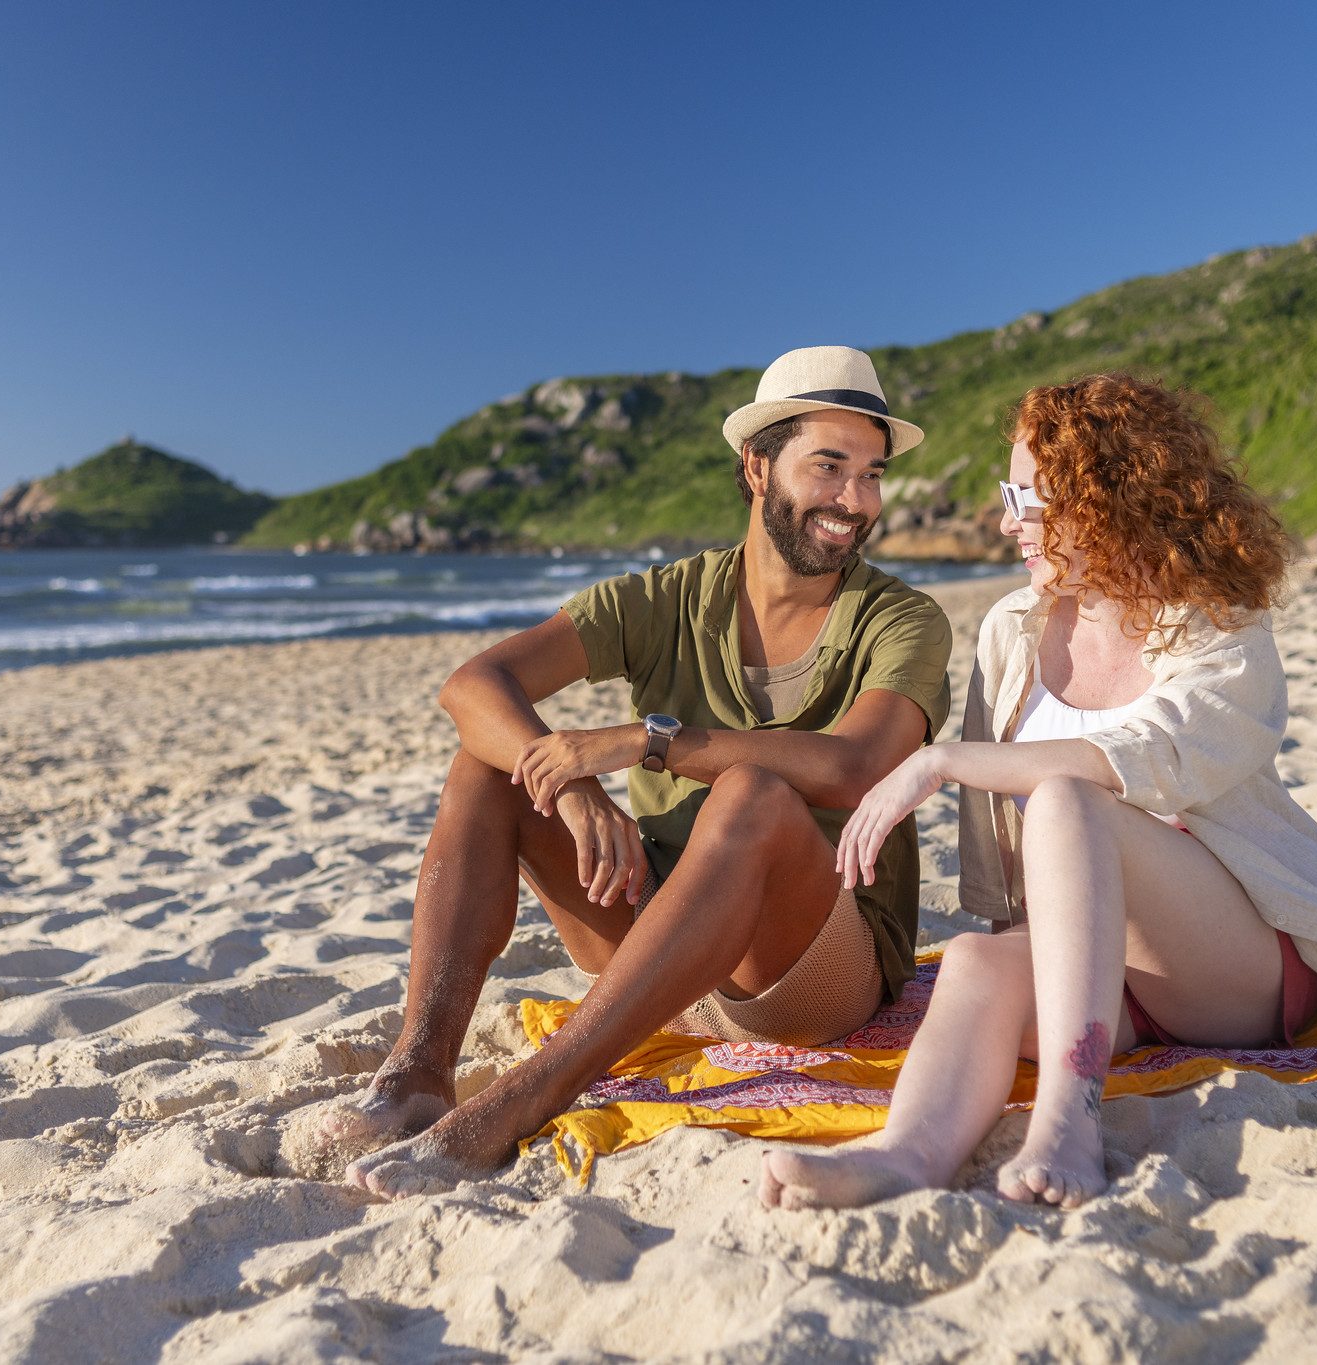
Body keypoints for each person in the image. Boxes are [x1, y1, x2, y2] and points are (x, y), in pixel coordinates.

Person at [759, 373, 1317, 1212]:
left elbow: (1150, 755)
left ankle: (1069, 1119)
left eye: (1027, 497)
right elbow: (1006, 864)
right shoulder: (1013, 630)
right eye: (1010, 494)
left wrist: (940, 760)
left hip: (1234, 962)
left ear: (1104, 496)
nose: (1006, 522)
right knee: (972, 960)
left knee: (1070, 797)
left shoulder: (1214, 622)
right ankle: (907, 1154)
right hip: (1107, 978)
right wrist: (1009, 955)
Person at [335, 346, 954, 1198]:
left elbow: (851, 768)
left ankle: (528, 1096)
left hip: (813, 968)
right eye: (830, 466)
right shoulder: (670, 597)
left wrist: (643, 740)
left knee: (751, 796)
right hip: (661, 952)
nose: (856, 500)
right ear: (758, 466)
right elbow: (474, 684)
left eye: (873, 474)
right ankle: (417, 1075)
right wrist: (572, 781)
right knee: (491, 768)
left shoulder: (901, 619)